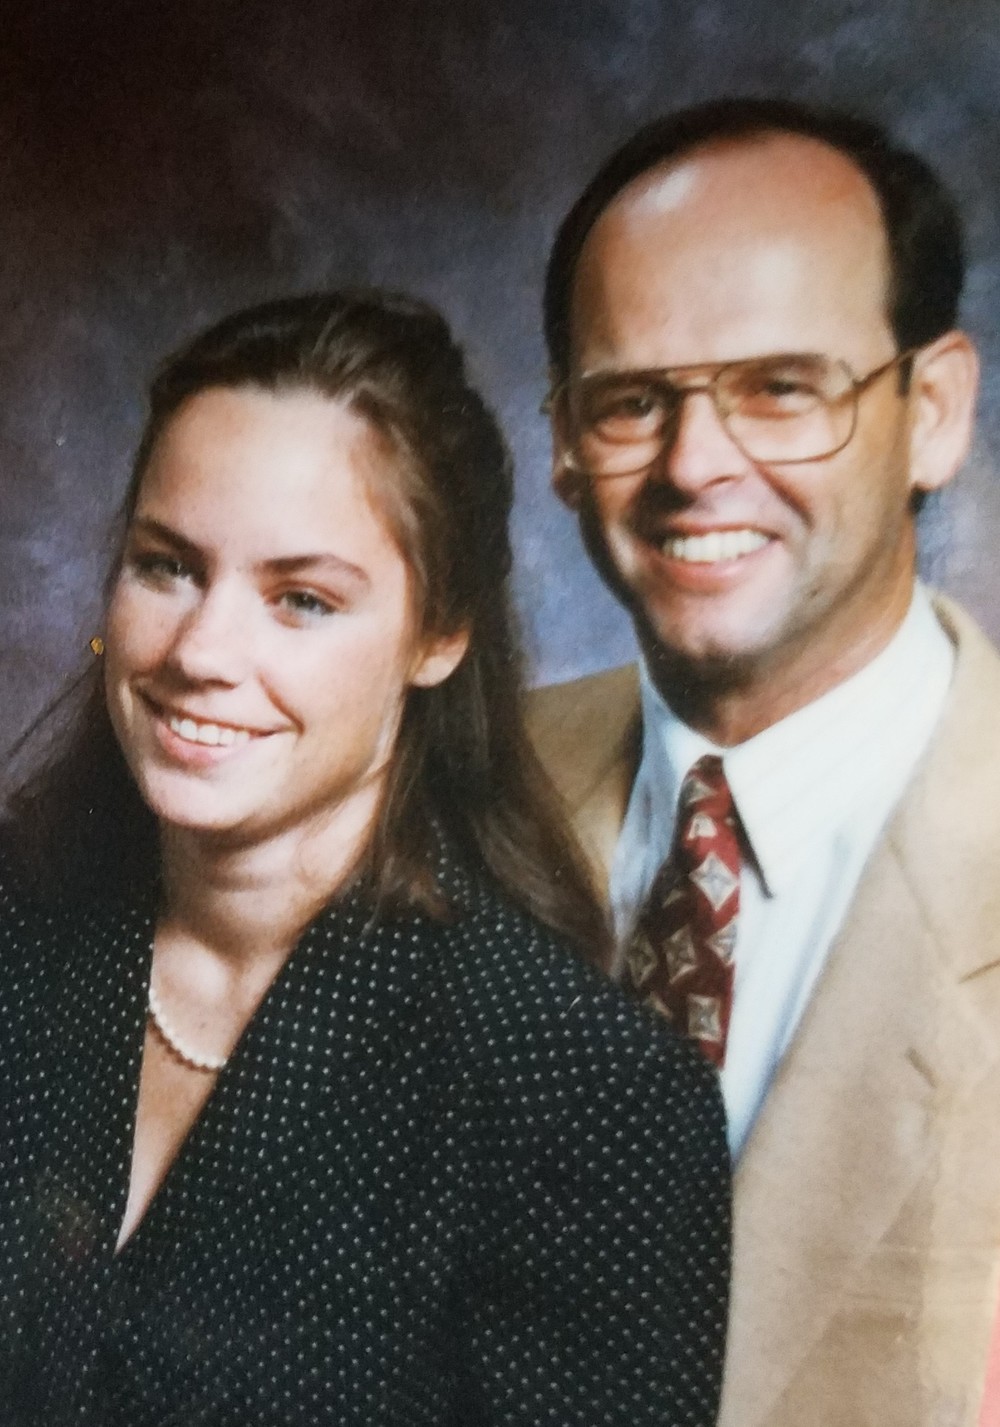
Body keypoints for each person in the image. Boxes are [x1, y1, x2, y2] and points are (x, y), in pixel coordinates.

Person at [0, 291, 729, 1426]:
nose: (201, 650)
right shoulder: (22, 923)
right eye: (167, 565)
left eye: (301, 598)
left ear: (439, 634)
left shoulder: (588, 1100)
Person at [528, 97, 1000, 1427]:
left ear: (933, 411)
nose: (694, 465)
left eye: (781, 388)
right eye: (633, 402)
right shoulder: (444, 786)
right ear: (563, 441)